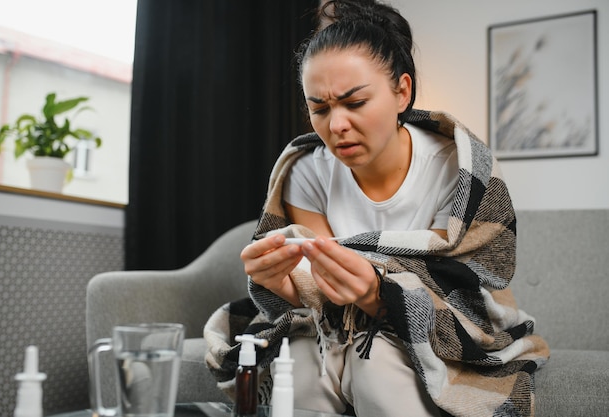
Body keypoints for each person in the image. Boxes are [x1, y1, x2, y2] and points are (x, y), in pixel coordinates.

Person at [204, 1, 550, 416]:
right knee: (299, 362)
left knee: (378, 364)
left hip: (435, 328)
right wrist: (282, 284)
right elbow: (318, 289)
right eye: (320, 108)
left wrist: (379, 292)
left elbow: (464, 290)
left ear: (402, 91)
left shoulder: (460, 172)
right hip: (333, 325)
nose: (336, 126)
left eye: (355, 103)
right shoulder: (305, 171)